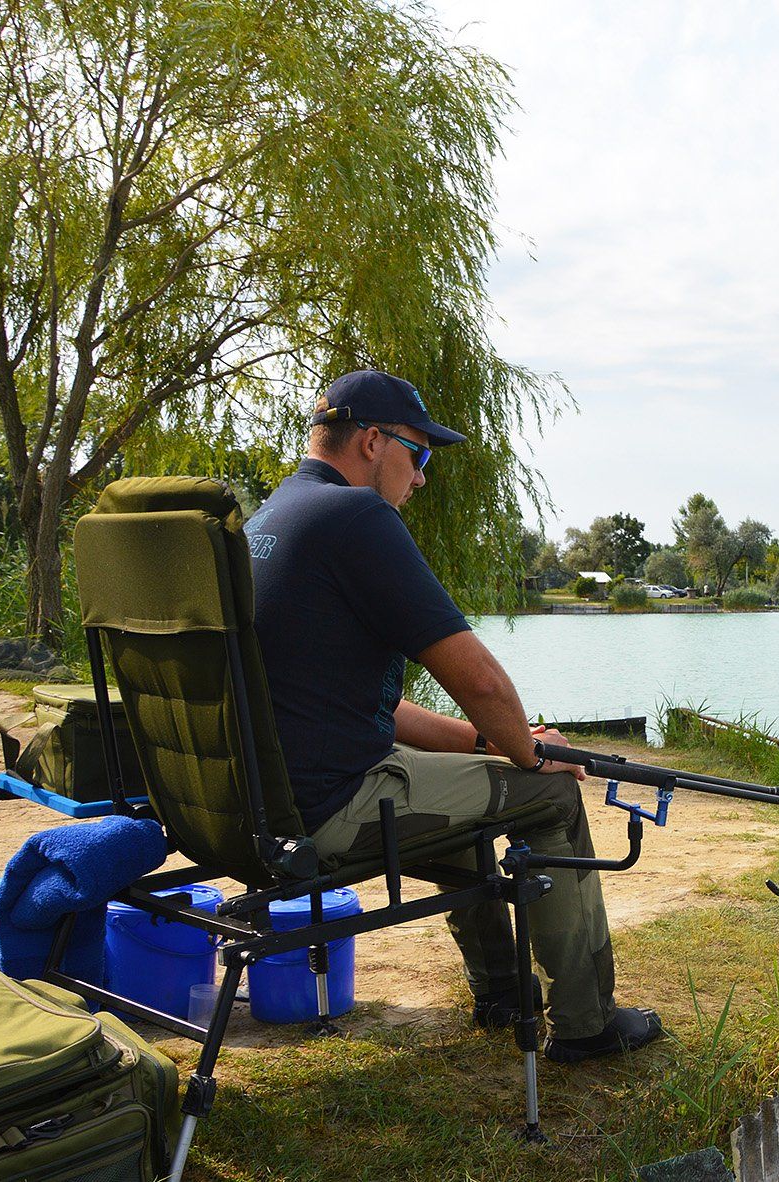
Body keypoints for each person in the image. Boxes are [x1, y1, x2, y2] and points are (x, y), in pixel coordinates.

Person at [243, 368, 663, 1061]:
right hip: (331, 804)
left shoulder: (271, 517)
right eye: (421, 454)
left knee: (472, 785)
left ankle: (503, 994)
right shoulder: (357, 518)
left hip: (274, 798)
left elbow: (366, 708)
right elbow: (481, 682)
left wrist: (488, 745)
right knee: (552, 793)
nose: (423, 477)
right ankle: (587, 1024)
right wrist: (533, 755)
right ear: (373, 442)